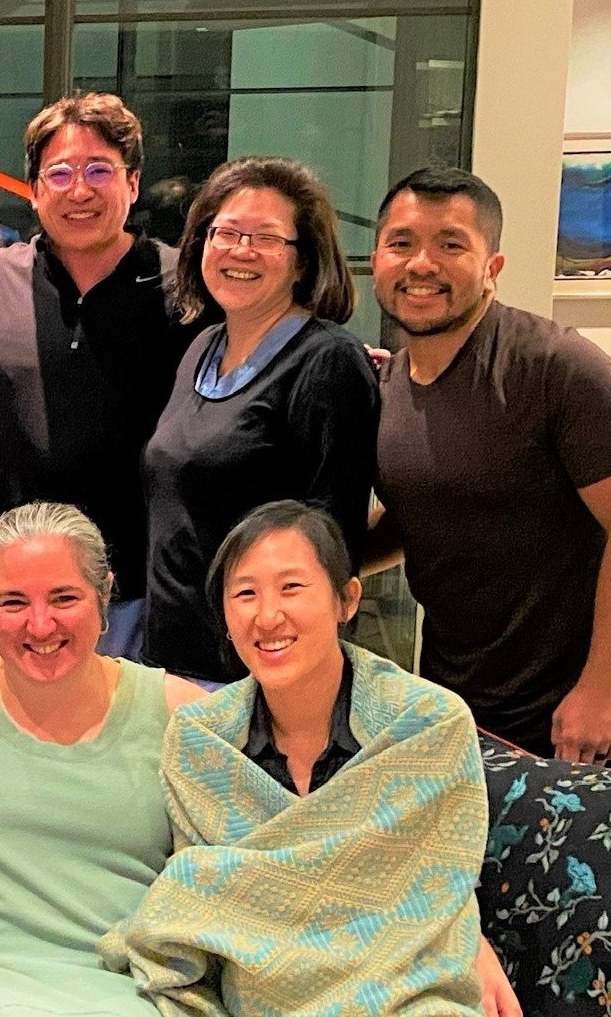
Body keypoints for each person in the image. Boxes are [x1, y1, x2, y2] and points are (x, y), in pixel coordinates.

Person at [99, 501, 492, 1014]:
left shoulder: (428, 725)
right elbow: (204, 898)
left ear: (347, 600)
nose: (268, 616)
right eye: (245, 594)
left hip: (405, 994)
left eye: (291, 587)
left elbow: (441, 885)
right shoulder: (200, 741)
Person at [0, 502, 207, 1017]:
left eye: (64, 598)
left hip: (134, 991)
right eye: (14, 602)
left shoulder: (180, 714)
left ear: (104, 596)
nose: (40, 625)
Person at [366, 167, 611, 761]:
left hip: (567, 717)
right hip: (456, 708)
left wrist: (600, 689)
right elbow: (418, 517)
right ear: (377, 260)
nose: (421, 264)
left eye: (451, 245)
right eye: (402, 243)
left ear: (492, 267)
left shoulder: (558, 368)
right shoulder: (390, 387)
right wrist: (315, 572)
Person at [0, 93, 197, 659]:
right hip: (24, 586)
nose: (79, 190)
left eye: (99, 171)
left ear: (133, 183)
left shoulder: (182, 286)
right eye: (60, 173)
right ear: (34, 189)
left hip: (142, 587)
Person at [140, 155, 378, 682]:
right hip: (172, 665)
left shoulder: (329, 363)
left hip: (259, 674)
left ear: (302, 260)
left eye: (266, 238)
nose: (241, 251)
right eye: (226, 233)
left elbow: (335, 543)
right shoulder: (202, 347)